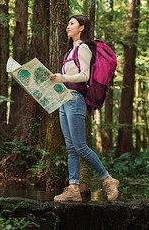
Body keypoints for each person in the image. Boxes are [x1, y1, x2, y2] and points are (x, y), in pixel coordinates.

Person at [50, 15, 119, 202]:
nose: (68, 26)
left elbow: (84, 76)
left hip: (75, 99)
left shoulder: (83, 48)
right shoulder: (69, 52)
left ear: (82, 28)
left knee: (80, 146)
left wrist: (61, 78)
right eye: (67, 23)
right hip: (64, 100)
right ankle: (73, 188)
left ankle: (108, 180)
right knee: (71, 148)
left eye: (72, 23)